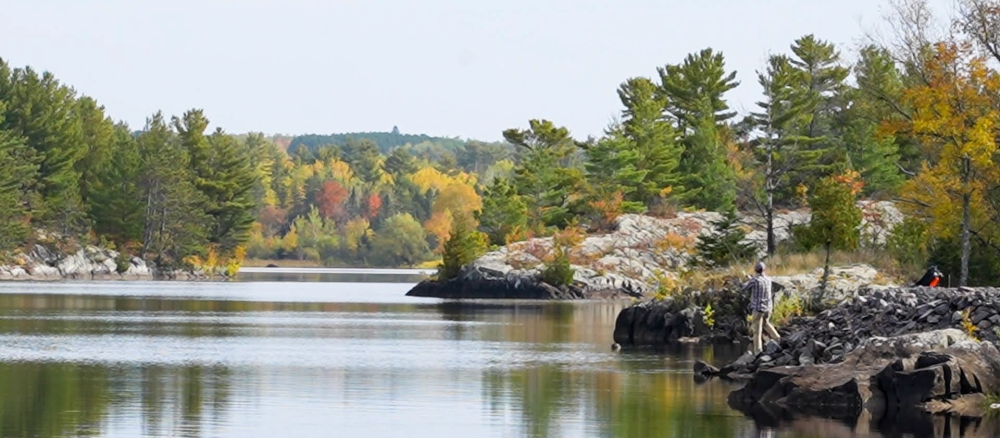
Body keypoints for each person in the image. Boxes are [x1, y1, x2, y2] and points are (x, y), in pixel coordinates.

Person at [744, 261, 780, 354]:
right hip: (768, 308)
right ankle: (778, 339)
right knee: (766, 323)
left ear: (755, 270)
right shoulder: (768, 279)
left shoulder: (754, 280)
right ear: (764, 270)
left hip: (758, 309)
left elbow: (744, 288)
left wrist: (748, 280)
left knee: (757, 332)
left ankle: (758, 352)